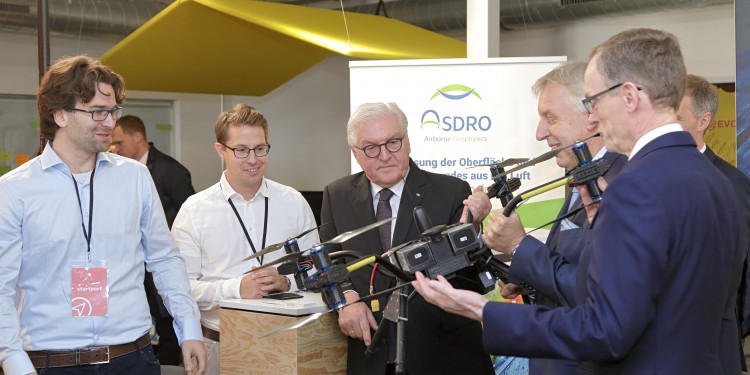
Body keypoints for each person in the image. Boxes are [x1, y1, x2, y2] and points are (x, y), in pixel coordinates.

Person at [412, 28, 744, 374]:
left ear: (629, 96)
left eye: (594, 101)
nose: (593, 117)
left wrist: (481, 311)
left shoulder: (634, 187)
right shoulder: (715, 179)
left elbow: (605, 330)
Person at [0, 55, 206, 374]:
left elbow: (164, 258)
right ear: (59, 114)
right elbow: (1, 287)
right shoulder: (15, 190)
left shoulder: (135, 177)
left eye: (112, 111)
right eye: (97, 112)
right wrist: (13, 363)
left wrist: (188, 326)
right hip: (51, 364)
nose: (110, 123)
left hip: (133, 358)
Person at [319, 102, 494, 375]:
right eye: (371, 147)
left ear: (408, 141)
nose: (385, 155)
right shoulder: (336, 195)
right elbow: (328, 265)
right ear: (355, 153)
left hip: (443, 356)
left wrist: (474, 229)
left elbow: (471, 276)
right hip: (371, 357)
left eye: (393, 142)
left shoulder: (451, 192)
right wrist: (347, 299)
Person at [482, 61, 625, 375]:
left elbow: (595, 291)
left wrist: (520, 247)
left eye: (551, 118)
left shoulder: (618, 183)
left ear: (591, 116)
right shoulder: (578, 175)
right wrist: (526, 279)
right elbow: (571, 263)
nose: (540, 133)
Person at [171, 103, 319, 375]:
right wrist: (236, 288)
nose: (253, 159)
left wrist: (286, 281)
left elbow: (316, 270)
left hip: (286, 345)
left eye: (260, 148)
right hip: (217, 347)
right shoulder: (194, 210)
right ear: (220, 150)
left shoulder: (294, 202)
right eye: (241, 150)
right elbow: (179, 289)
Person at [676, 73, 750, 373]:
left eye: (676, 116)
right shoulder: (636, 176)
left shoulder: (730, 183)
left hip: (709, 346)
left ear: (703, 121)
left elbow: (740, 268)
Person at [111, 114, 197, 366]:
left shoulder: (172, 170)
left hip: (163, 262)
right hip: (138, 267)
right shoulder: (122, 173)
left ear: (137, 137)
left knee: (167, 322)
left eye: (119, 142)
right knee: (153, 323)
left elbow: (187, 214)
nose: (114, 148)